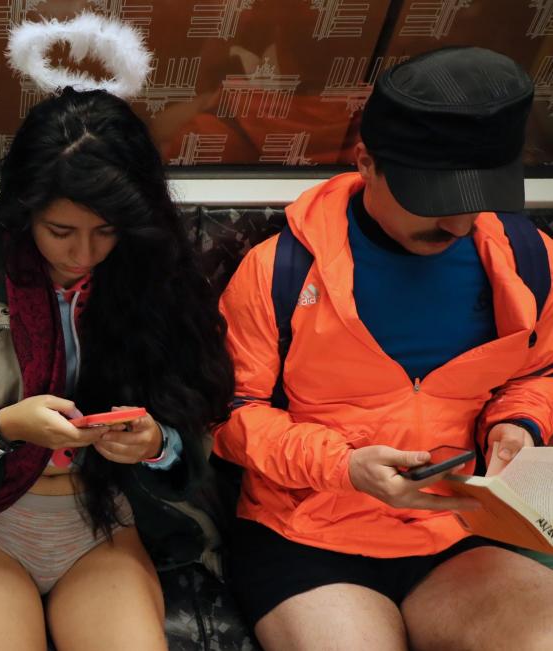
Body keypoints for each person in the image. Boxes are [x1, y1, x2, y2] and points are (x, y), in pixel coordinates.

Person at [214, 46, 553, 650]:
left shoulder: (529, 261)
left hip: (459, 526)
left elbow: (538, 373)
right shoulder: (277, 272)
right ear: (366, 162)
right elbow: (232, 416)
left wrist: (518, 425)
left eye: (476, 198)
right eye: (434, 200)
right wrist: (343, 467)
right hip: (308, 534)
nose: (457, 225)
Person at [0, 87, 234, 650]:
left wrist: (156, 444)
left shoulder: (158, 281)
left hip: (106, 516)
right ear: (24, 213)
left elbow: (198, 428)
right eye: (61, 231)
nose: (83, 255)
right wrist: (3, 430)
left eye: (106, 231)